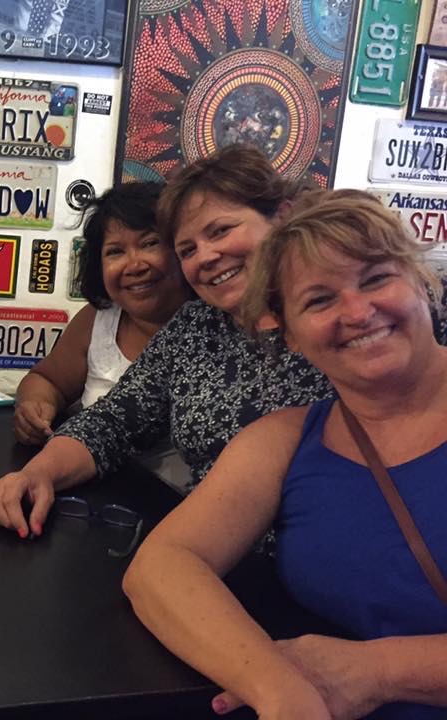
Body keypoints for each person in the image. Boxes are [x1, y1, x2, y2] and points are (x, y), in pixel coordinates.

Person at [123, 191, 447, 720]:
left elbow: (363, 672)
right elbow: (161, 567)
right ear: (288, 333)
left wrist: (378, 671)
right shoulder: (288, 438)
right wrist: (280, 690)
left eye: (375, 279)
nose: (357, 312)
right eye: (318, 301)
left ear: (421, 281)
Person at [0, 144, 339, 537]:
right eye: (188, 249)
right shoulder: (195, 326)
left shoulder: (344, 319)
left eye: (220, 231)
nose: (206, 256)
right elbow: (112, 422)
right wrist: (36, 474)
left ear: (282, 216)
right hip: (211, 545)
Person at [12, 183, 192, 485]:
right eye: (115, 251)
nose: (135, 265)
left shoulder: (222, 326)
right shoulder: (99, 318)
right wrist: (36, 406)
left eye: (150, 243)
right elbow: (48, 380)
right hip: (98, 494)